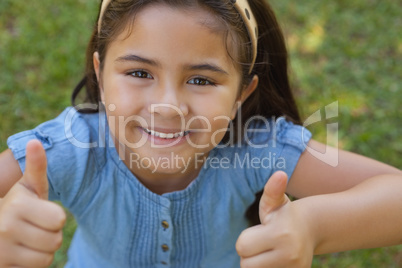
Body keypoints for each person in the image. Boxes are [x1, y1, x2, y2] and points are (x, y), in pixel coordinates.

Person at [0, 0, 401, 267]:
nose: (168, 105)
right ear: (100, 75)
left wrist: (315, 226)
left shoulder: (256, 147)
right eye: (140, 73)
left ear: (242, 95)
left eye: (201, 79)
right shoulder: (71, 148)